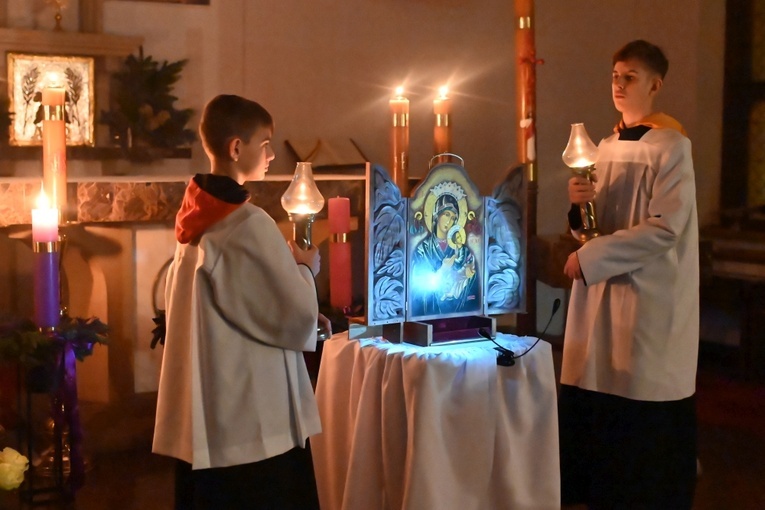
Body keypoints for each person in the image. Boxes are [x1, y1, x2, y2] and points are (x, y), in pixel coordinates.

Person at [152, 94, 329, 509]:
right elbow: (292, 314)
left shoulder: (197, 217)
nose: (270, 154)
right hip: (251, 423)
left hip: (210, 410)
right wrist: (304, 268)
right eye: (264, 143)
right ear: (236, 148)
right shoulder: (247, 224)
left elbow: (251, 302)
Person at [559, 40, 699, 509]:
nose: (619, 85)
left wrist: (592, 259)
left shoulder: (672, 146)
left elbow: (664, 228)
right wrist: (580, 208)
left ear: (655, 85)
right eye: (615, 75)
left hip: (646, 300)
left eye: (631, 77)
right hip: (600, 298)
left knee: (639, 418)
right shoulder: (604, 146)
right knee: (599, 397)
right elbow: (593, 225)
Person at [410, 191, 480, 317]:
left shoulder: (463, 251)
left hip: (461, 316)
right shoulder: (422, 250)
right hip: (426, 317)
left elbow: (472, 285)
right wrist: (443, 270)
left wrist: (467, 275)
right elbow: (416, 287)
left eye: (453, 218)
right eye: (446, 214)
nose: (450, 221)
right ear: (437, 215)